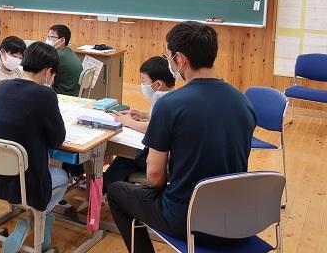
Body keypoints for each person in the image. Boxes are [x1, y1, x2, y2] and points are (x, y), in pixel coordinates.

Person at [107, 21, 257, 253]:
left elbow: (155, 177)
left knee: (117, 192)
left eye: (168, 56)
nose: (169, 62)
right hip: (239, 219)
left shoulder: (169, 105)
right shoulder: (243, 101)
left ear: (181, 59)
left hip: (190, 219)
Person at [0, 42, 67, 253]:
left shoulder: (3, 86)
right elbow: (57, 139)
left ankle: (38, 223)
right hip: (26, 183)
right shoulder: (45, 95)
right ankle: (32, 221)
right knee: (63, 177)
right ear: (48, 72)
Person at [102, 56, 175, 192]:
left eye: (144, 81)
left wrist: (127, 121)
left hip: (161, 161)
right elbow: (159, 120)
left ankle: (103, 189)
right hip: (168, 156)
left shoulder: (161, 101)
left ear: (158, 84)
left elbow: (151, 128)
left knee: (127, 156)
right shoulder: (172, 96)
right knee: (128, 156)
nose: (143, 85)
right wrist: (143, 114)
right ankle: (113, 189)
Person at [0, 36, 26, 116]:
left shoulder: (17, 71)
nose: (17, 61)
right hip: (5, 115)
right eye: (14, 57)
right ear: (3, 52)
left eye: (20, 58)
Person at [46, 24, 82, 96]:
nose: (48, 40)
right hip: (73, 93)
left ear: (62, 40)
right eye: (48, 36)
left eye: (52, 37)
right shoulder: (69, 52)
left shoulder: (57, 56)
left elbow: (45, 78)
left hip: (62, 95)